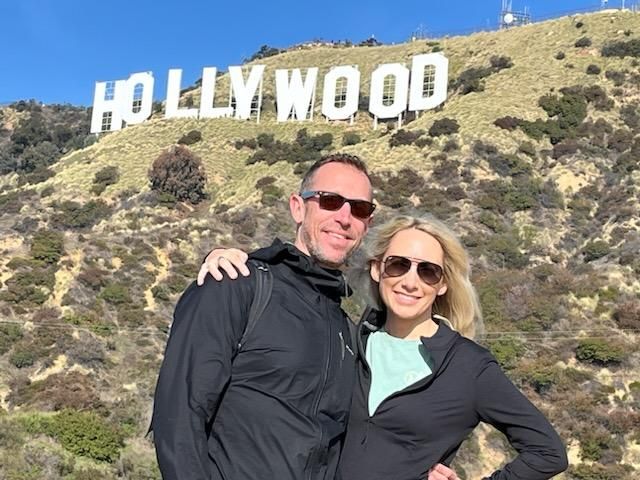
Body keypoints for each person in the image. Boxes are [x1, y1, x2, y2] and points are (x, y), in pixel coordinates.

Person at [202, 215, 568, 480]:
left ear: (442, 285)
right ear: (378, 270)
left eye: (428, 271)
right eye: (398, 265)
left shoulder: (468, 367)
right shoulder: (348, 339)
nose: (411, 281)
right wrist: (231, 259)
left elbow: (548, 452)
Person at [151, 153, 375, 480]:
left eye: (359, 208)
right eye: (330, 201)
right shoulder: (237, 285)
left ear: (367, 223)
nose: (344, 217)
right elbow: (179, 415)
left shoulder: (346, 331)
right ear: (298, 207)